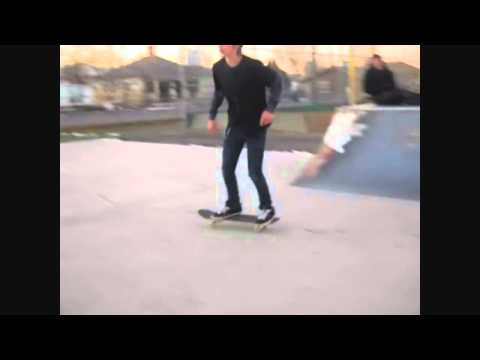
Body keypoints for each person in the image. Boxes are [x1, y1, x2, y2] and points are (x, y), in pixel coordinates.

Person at [208, 45, 282, 225]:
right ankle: (233, 204)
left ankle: (267, 207)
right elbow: (219, 93)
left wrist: (270, 108)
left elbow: (276, 81)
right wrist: (212, 115)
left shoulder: (253, 67)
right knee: (227, 168)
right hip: (235, 125)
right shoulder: (218, 68)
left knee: (254, 171)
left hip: (256, 126)